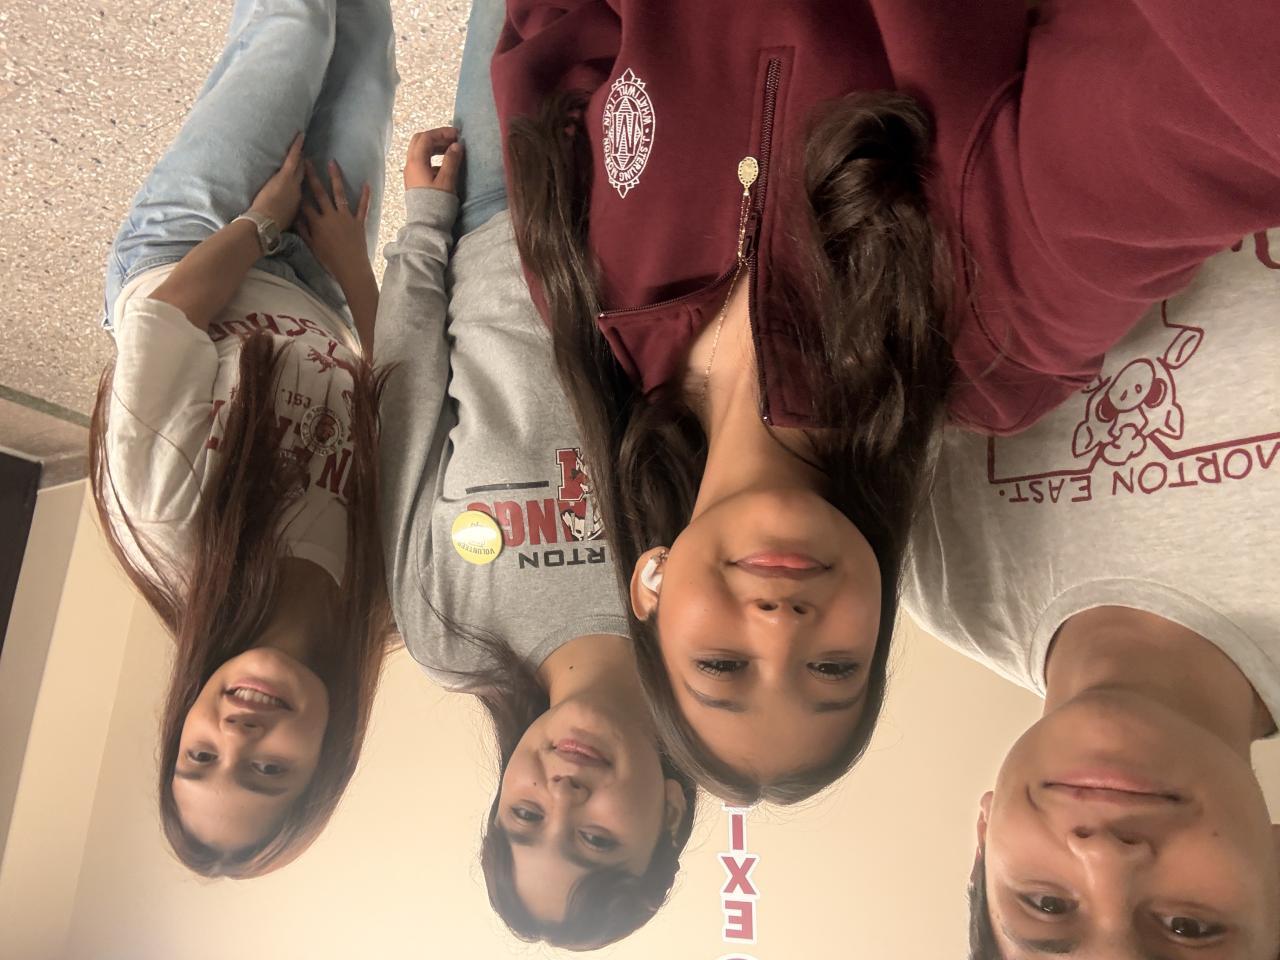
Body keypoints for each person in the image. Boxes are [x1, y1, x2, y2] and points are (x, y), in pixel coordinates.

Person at [490, 0, 1280, 804]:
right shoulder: (995, 333)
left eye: (722, 665)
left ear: (648, 588)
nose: (780, 626)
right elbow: (1200, 118)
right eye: (833, 668)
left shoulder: (586, 306)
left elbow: (553, 47)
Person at [373, 1, 694, 949]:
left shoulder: (448, 631)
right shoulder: (717, 634)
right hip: (662, 229)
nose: (560, 792)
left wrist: (424, 230)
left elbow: (405, 402)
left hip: (497, 211)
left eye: (523, 817)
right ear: (672, 814)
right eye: (595, 838)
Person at [901, 232, 1280, 958]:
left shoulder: (940, 567)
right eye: (1189, 928)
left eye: (1046, 905)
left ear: (984, 839)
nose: (1106, 858)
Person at [89, 0, 401, 877]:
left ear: (180, 723)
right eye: (267, 771)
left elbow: (167, 317)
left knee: (294, 31)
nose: (238, 732)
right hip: (325, 288)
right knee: (366, 55)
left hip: (198, 248)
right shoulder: (383, 596)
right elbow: (402, 400)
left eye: (200, 756)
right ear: (326, 759)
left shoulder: (167, 520)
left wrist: (263, 222)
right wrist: (349, 264)